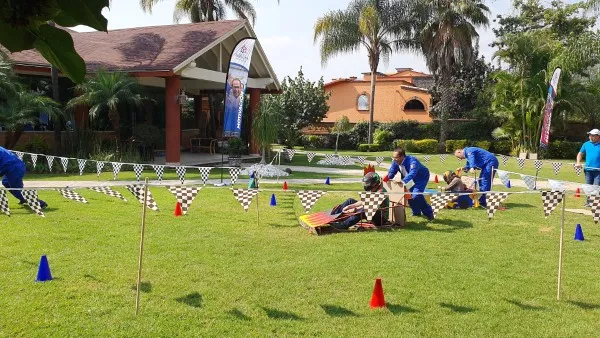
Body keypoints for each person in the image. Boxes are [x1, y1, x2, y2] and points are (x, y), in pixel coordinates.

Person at [383, 147, 434, 220]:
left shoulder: (413, 161)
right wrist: (386, 178)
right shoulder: (395, 162)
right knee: (408, 195)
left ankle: (429, 213)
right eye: (393, 157)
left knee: (417, 196)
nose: (394, 159)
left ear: (402, 156)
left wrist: (403, 181)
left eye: (396, 157)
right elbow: (392, 171)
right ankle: (416, 212)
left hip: (420, 178)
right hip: (409, 179)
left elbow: (412, 173)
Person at [576, 128, 600, 207]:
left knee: (596, 187)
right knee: (588, 187)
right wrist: (578, 162)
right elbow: (580, 154)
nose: (590, 137)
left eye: (592, 135)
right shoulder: (586, 144)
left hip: (598, 171)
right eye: (590, 135)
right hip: (588, 170)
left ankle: (595, 203)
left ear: (598, 136)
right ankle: (589, 203)